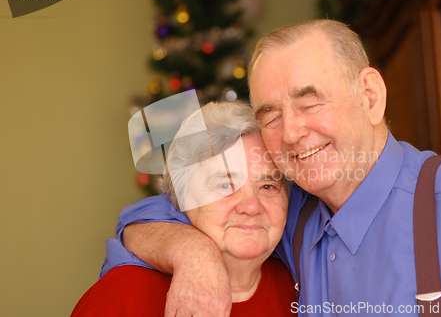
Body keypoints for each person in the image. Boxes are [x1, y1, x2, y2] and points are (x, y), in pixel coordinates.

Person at [104, 19, 441, 316]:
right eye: (270, 115)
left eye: (309, 103)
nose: (292, 132)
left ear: (371, 96)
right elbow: (151, 213)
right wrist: (193, 252)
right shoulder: (289, 216)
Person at [71, 101, 297, 317]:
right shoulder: (128, 292)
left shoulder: (299, 285)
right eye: (225, 185)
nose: (251, 206)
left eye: (268, 186)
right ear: (180, 199)